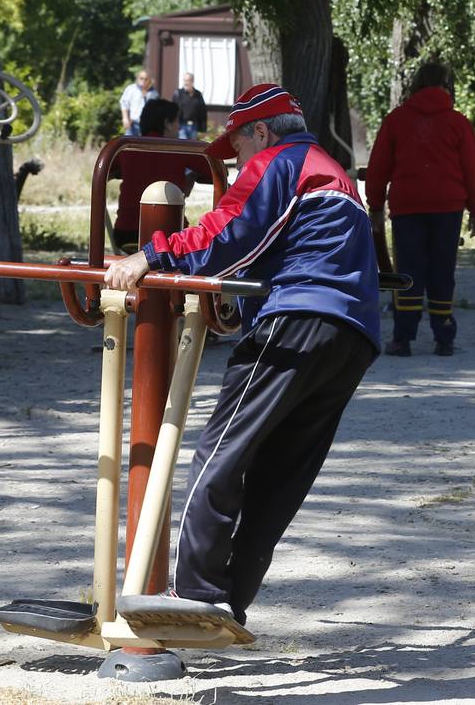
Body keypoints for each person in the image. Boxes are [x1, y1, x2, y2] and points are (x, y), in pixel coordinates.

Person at [103, 83, 379, 634]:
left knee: (220, 450)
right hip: (353, 334)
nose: (237, 162)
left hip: (297, 318)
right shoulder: (332, 168)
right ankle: (228, 601)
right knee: (280, 473)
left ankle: (196, 592)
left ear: (261, 129)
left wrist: (150, 254)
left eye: (238, 148)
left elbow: (229, 231)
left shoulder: (280, 160)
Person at [364, 62, 475, 357]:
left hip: (407, 208)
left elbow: (379, 167)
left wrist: (376, 205)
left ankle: (402, 338)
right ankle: (444, 337)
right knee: (442, 270)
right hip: (448, 208)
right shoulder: (458, 122)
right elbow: (472, 169)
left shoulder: (396, 120)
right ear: (446, 87)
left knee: (408, 270)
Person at [110, 99, 198, 251]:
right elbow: (212, 168)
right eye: (177, 121)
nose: (179, 127)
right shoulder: (181, 148)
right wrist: (192, 176)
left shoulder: (126, 148)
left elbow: (108, 170)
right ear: (167, 123)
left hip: (125, 233)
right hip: (169, 235)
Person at [173, 71, 209, 139]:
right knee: (183, 146)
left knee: (192, 147)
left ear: (192, 81)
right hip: (182, 126)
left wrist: (203, 128)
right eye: (184, 80)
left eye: (188, 81)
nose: (186, 83)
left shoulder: (198, 94)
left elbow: (203, 111)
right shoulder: (178, 93)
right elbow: (173, 109)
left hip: (194, 126)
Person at [119, 70, 155, 136]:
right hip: (133, 123)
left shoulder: (153, 93)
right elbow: (124, 104)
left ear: (149, 80)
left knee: (143, 145)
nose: (143, 80)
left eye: (146, 79)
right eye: (141, 78)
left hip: (147, 126)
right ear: (137, 78)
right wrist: (125, 118)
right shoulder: (131, 89)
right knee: (130, 144)